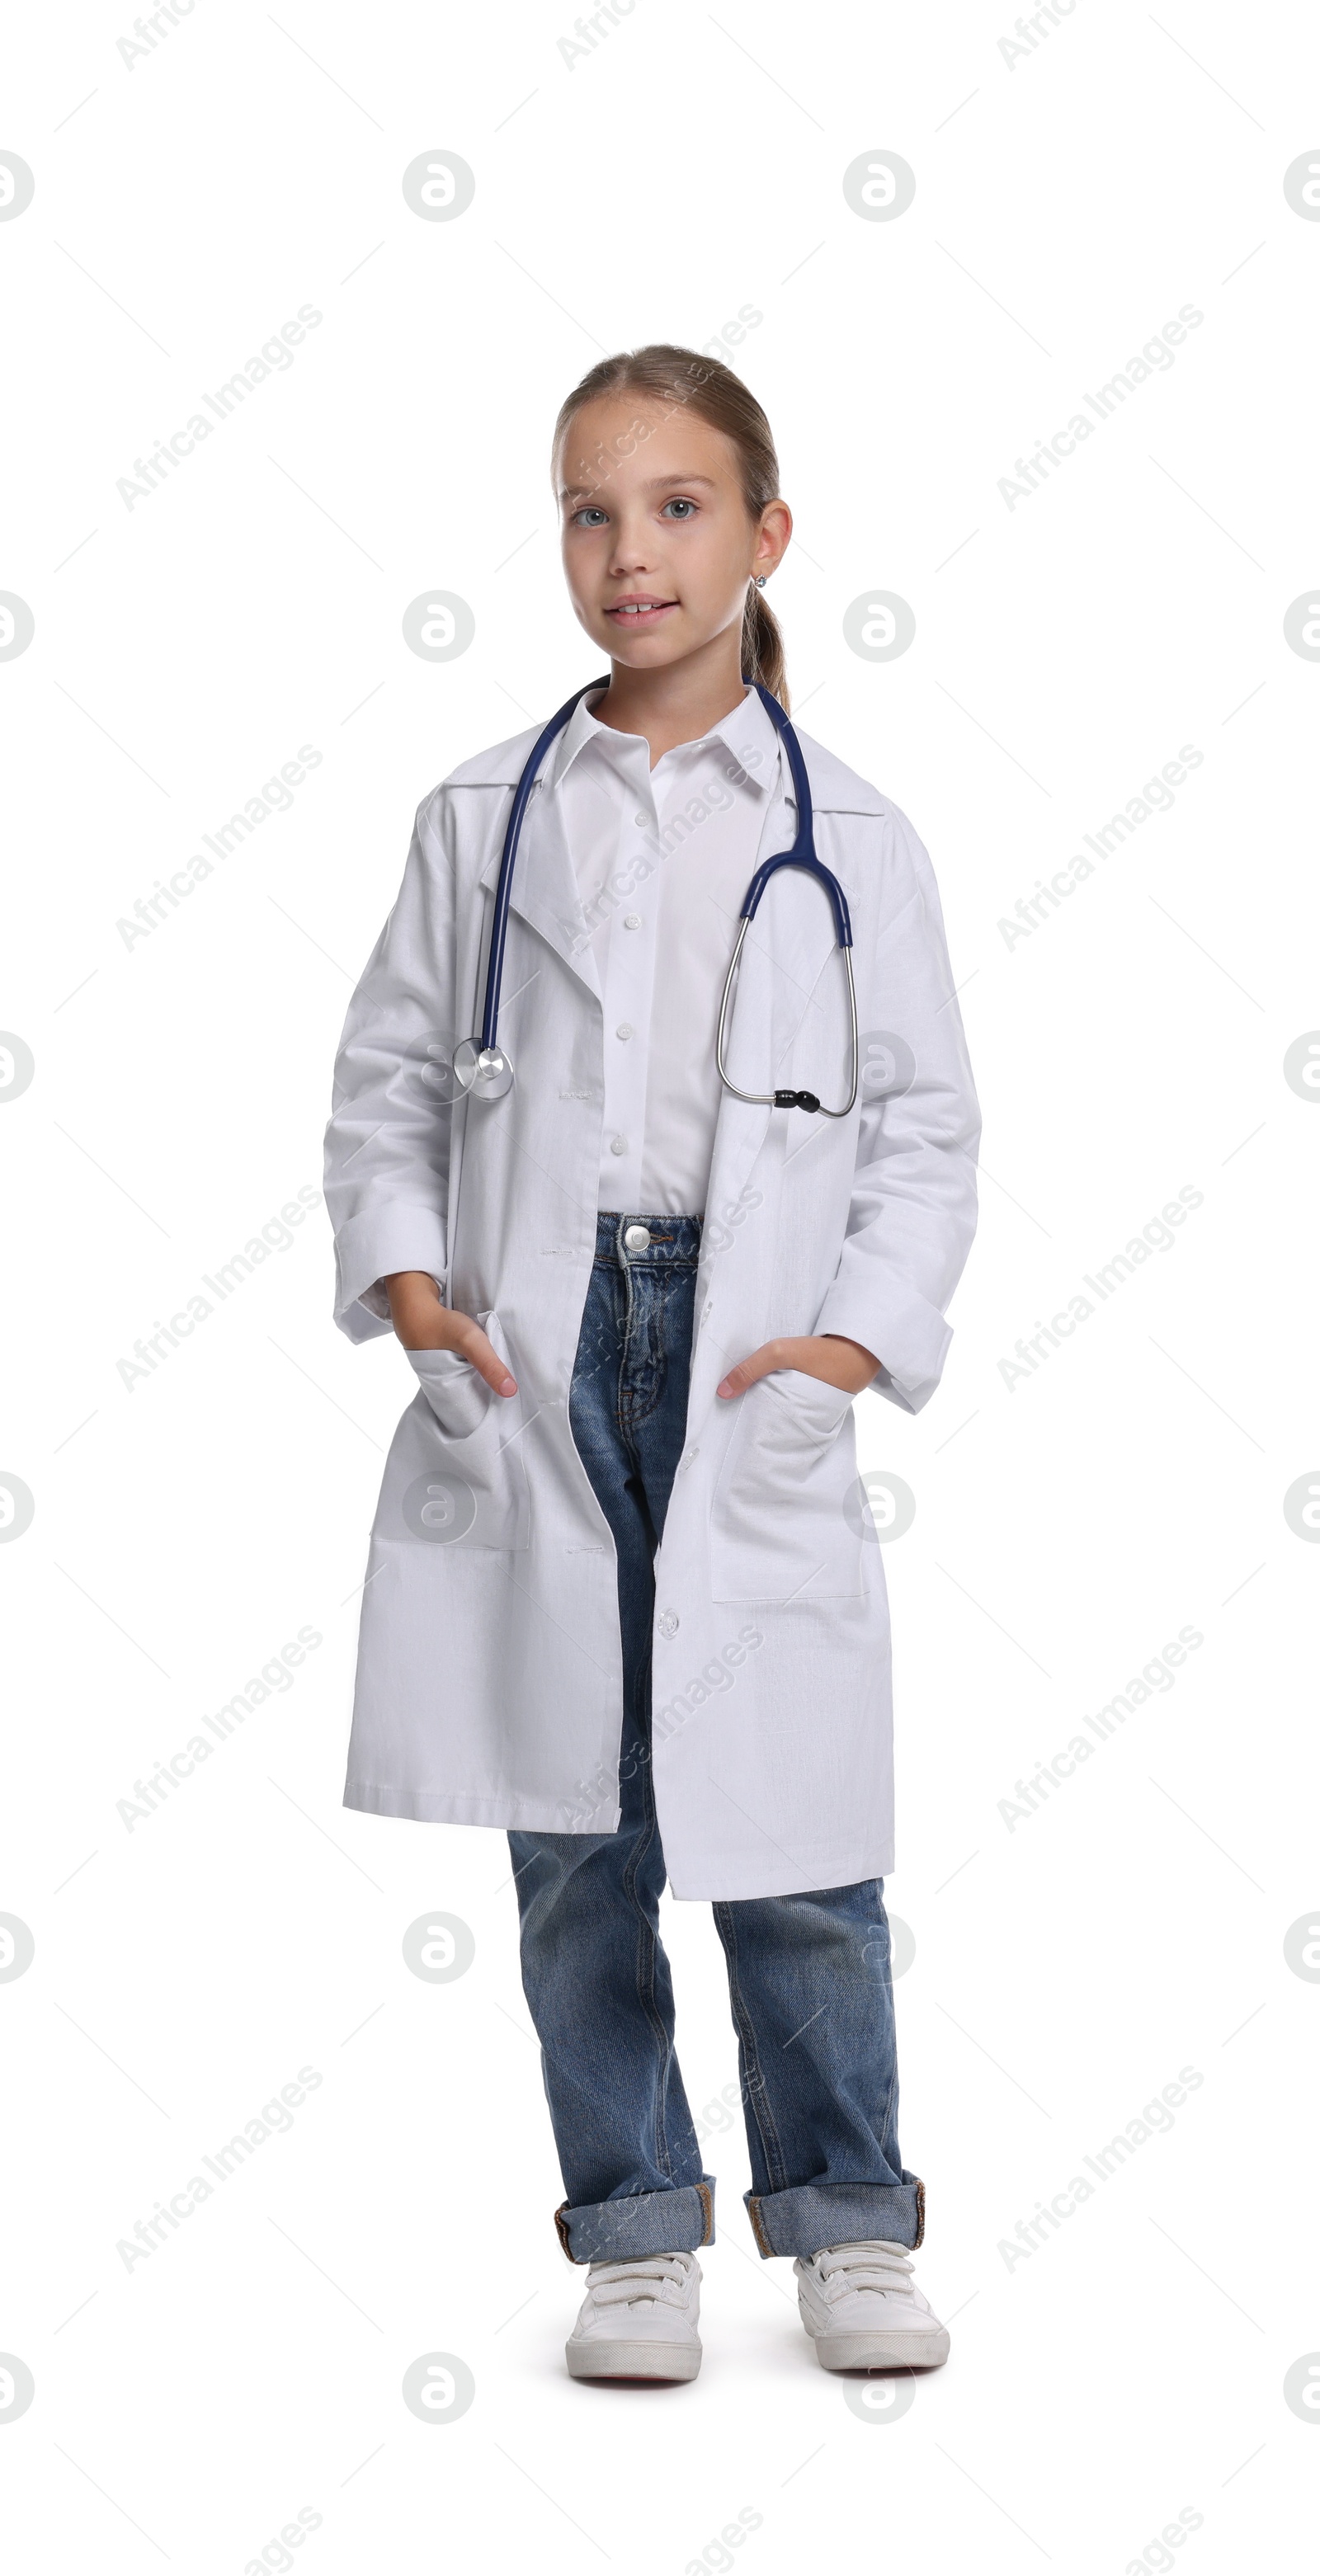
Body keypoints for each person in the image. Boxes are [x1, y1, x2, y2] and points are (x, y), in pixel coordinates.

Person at [323, 345, 981, 2384]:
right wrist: (415, 1287)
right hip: (535, 1346)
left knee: (786, 1828)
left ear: (765, 536)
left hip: (738, 1343)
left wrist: (848, 1342)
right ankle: (628, 2224)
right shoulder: (478, 814)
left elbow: (923, 1124)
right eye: (591, 512)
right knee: (573, 1824)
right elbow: (384, 1088)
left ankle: (845, 2219)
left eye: (680, 506)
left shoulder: (848, 832)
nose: (633, 552)